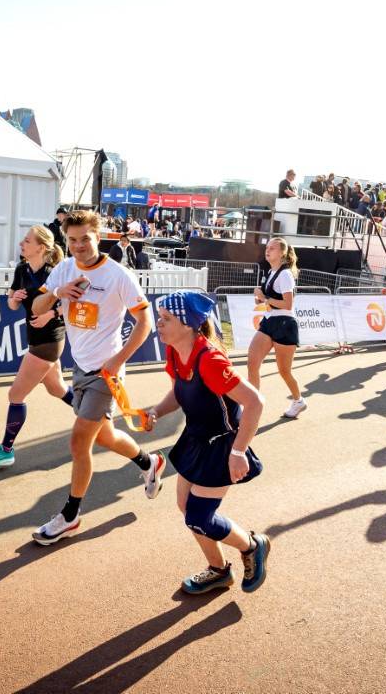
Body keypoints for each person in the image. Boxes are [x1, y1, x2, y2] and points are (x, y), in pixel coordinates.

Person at [29, 209, 164, 545]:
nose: (78, 246)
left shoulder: (118, 275)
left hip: (106, 372)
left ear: (98, 237)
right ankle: (150, 462)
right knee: (105, 437)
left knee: (79, 442)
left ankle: (70, 515)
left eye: (85, 239)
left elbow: (145, 322)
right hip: (80, 369)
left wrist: (118, 361)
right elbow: (36, 307)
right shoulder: (64, 268)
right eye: (72, 240)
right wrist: (58, 293)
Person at [147, 292, 271, 595]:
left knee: (199, 517)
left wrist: (238, 451)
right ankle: (219, 570)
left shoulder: (210, 360)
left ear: (188, 324)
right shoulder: (175, 352)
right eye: (159, 317)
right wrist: (157, 411)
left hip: (223, 445)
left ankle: (252, 546)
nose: (158, 324)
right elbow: (179, 392)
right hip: (196, 437)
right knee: (185, 507)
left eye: (166, 319)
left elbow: (255, 402)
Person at [0, 225, 73, 468]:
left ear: (41, 247)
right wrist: (14, 299)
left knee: (15, 395)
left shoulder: (54, 272)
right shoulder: (21, 269)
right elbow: (11, 304)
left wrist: (50, 314)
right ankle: (94, 417)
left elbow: (72, 303)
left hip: (49, 340)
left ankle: (6, 450)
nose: (21, 243)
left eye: (27, 241)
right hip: (35, 336)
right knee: (57, 388)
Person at [248, 237, 306, 418]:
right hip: (269, 321)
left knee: (284, 371)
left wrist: (264, 298)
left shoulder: (285, 274)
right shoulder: (270, 272)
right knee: (252, 363)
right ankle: (252, 406)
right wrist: (259, 298)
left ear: (282, 253)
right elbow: (267, 301)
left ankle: (298, 400)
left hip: (285, 324)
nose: (267, 250)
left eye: (272, 248)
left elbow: (288, 304)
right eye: (267, 247)